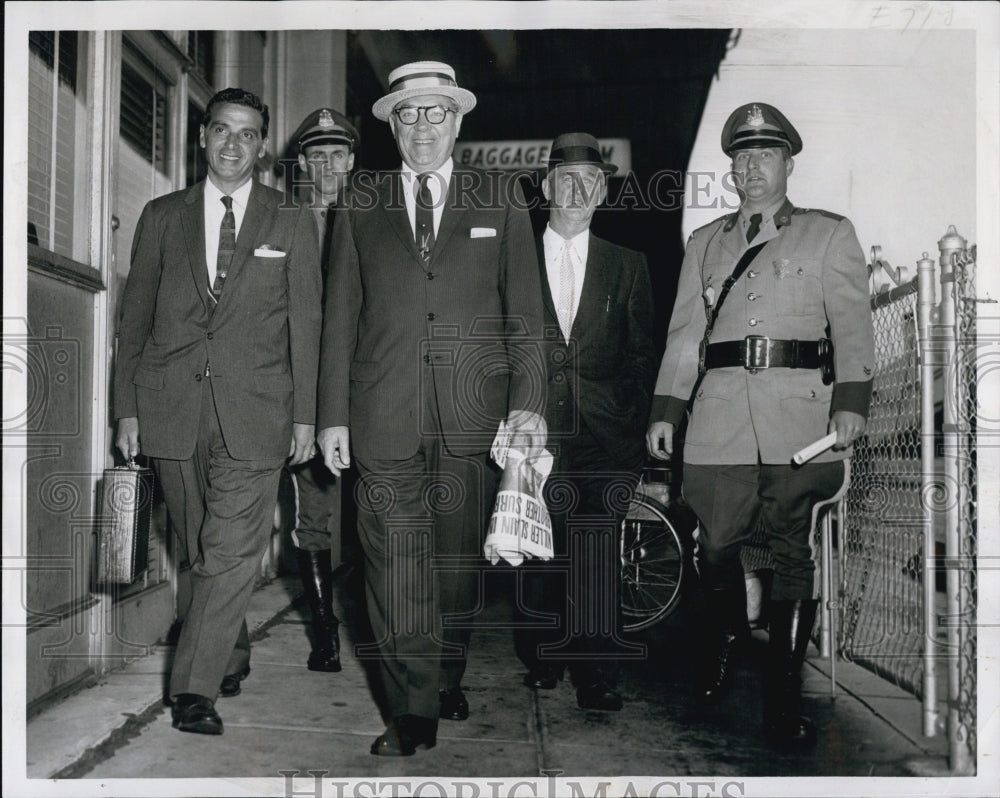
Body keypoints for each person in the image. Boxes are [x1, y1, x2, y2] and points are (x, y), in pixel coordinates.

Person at [316, 60, 546, 756]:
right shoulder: (359, 201)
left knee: (452, 572)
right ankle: (412, 710)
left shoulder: (501, 198)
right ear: (391, 123)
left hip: (475, 420)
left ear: (458, 119)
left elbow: (526, 316)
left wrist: (529, 407)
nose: (423, 126)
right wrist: (332, 414)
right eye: (409, 113)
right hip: (381, 414)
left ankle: (443, 672)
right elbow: (339, 317)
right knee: (394, 568)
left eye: (436, 112)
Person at [646, 102, 874, 745]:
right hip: (718, 419)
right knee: (715, 548)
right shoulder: (705, 243)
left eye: (764, 155)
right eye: (741, 157)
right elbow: (686, 335)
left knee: (790, 552)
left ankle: (782, 696)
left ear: (788, 164)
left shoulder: (829, 234)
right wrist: (667, 409)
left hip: (797, 418)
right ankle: (725, 632)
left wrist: (851, 400)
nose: (750, 167)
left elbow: (852, 324)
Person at [114, 87, 322, 735]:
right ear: (202, 137)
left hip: (257, 410)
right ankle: (229, 649)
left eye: (248, 133)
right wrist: (126, 410)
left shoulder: (288, 219)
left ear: (262, 148)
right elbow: (134, 322)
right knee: (201, 547)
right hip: (171, 407)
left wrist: (308, 417)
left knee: (230, 549)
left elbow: (307, 325)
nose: (234, 143)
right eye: (222, 130)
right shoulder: (160, 216)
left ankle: (192, 690)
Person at [516, 133, 656, 712]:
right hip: (535, 432)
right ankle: (544, 655)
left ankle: (594, 670)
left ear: (603, 194)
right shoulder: (513, 257)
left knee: (595, 552)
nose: (577, 191)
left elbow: (641, 355)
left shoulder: (628, 265)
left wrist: (627, 422)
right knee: (539, 552)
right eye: (567, 179)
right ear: (548, 187)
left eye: (591, 182)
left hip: (604, 436)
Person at [282, 107, 360, 672]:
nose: (327, 165)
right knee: (314, 511)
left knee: (379, 510)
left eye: (337, 155)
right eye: (316, 156)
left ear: (352, 161)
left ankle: (380, 626)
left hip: (369, 387)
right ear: (303, 164)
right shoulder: (285, 221)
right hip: (307, 387)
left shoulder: (379, 217)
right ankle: (326, 633)